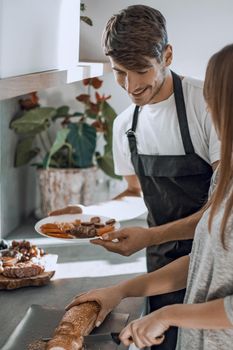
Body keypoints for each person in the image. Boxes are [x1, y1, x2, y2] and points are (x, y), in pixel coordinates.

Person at [50, 5, 220, 349]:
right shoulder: (125, 125)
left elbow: (220, 211)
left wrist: (149, 236)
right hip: (161, 269)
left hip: (216, 265)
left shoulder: (209, 104)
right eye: (119, 72)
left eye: (140, 70)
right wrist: (86, 214)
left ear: (167, 56)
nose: (130, 85)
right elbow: (133, 194)